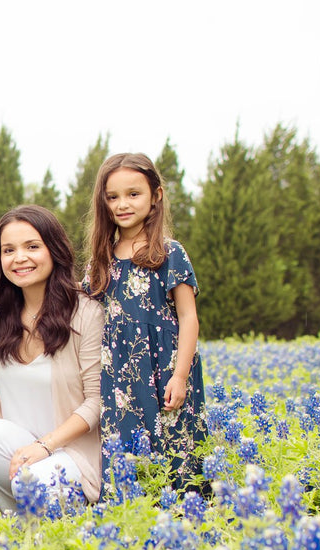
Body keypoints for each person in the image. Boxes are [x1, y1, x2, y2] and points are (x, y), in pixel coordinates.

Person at [0, 205, 104, 512]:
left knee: (32, 482)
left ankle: (44, 529)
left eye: (32, 246)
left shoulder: (85, 312)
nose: (19, 258)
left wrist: (46, 445)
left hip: (69, 454)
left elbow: (96, 401)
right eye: (9, 250)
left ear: (54, 250)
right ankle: (16, 522)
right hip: (19, 452)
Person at [85, 152, 207, 490]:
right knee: (125, 450)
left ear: (156, 196)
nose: (122, 204)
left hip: (165, 367)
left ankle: (184, 515)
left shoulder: (170, 252)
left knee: (174, 449)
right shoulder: (101, 259)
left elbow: (188, 316)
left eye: (133, 194)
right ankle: (130, 515)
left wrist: (180, 375)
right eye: (113, 197)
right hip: (119, 372)